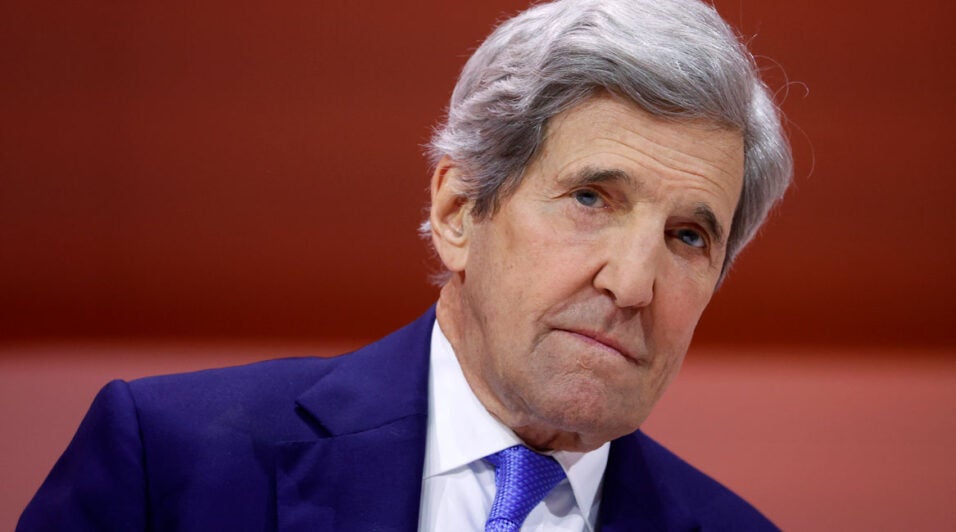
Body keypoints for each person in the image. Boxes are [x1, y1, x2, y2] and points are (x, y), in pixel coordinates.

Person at [19, 0, 792, 530]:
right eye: (591, 198)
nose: (632, 284)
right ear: (459, 212)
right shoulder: (173, 470)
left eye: (689, 237)